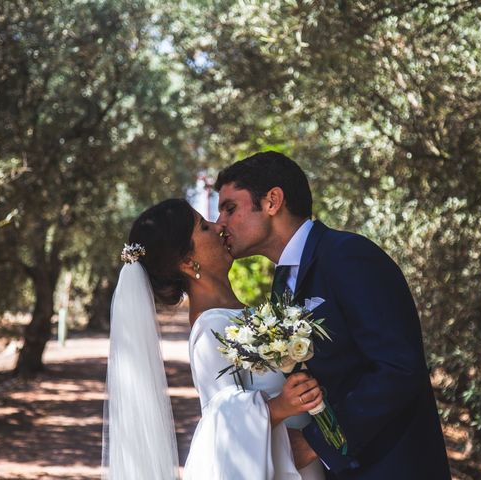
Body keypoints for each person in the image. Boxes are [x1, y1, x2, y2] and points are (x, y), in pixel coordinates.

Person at [215, 151, 452, 480]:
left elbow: (399, 367)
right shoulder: (284, 281)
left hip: (391, 465)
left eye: (230, 208)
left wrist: (319, 443)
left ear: (272, 201)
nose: (220, 224)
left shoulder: (349, 256)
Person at [102, 198, 326, 479]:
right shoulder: (210, 330)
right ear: (187, 261)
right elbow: (223, 420)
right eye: (204, 227)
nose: (220, 225)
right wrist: (282, 406)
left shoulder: (238, 316)